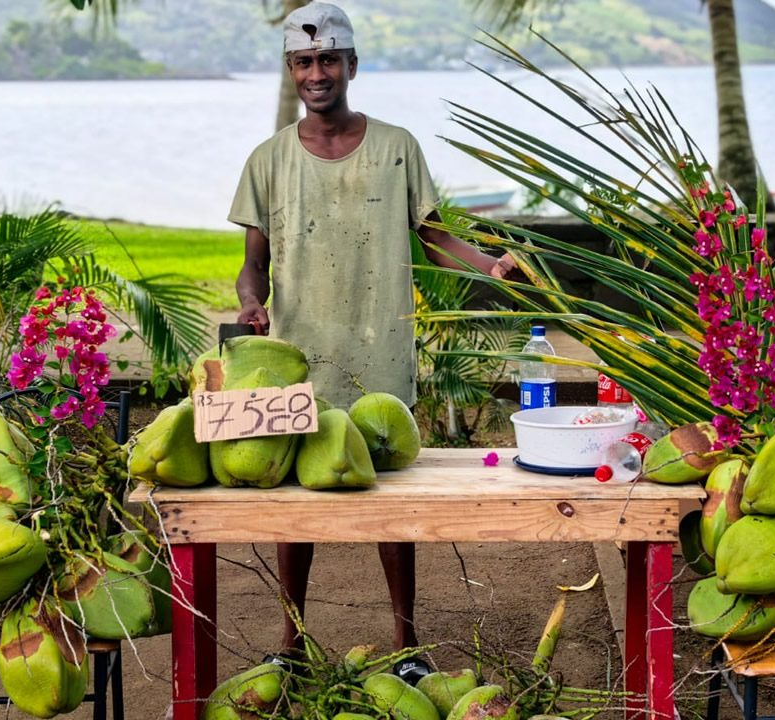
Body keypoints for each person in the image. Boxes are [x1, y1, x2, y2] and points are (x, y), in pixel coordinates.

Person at [227, 1, 520, 684]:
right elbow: (253, 260)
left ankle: (407, 645)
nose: (317, 72)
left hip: (380, 356)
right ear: (292, 70)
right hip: (299, 363)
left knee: (393, 510)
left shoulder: (396, 147)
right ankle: (291, 642)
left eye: (329, 59)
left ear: (352, 66)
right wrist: (250, 301)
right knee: (296, 510)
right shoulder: (267, 161)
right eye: (304, 61)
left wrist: (491, 267)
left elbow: (434, 235)